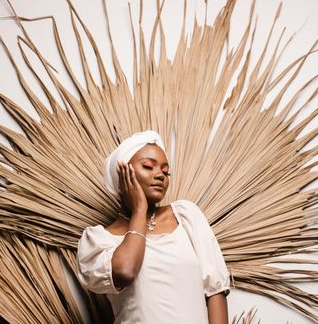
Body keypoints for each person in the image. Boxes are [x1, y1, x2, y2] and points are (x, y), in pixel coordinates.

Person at [77, 130, 230, 323]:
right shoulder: (98, 240)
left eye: (166, 171)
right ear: (122, 174)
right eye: (148, 167)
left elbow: (215, 291)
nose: (160, 175)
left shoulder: (186, 216)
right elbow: (125, 271)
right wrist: (139, 210)